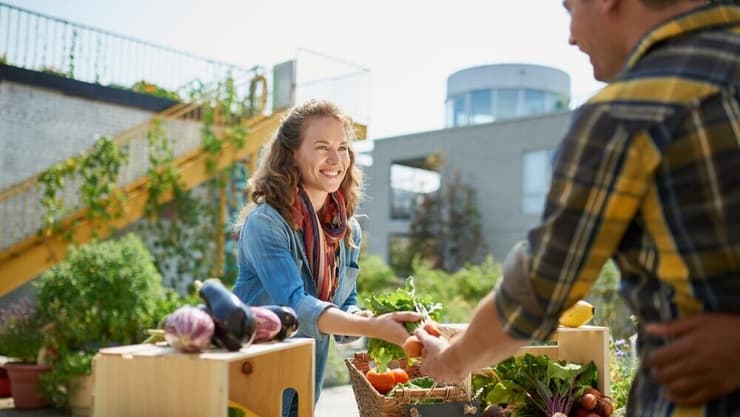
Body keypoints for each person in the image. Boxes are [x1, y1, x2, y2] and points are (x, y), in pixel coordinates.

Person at [415, 1, 740, 416]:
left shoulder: (630, 111)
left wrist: (448, 361)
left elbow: (538, 292)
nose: (570, 36)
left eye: (569, 7)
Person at [232, 99, 420, 416]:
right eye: (322, 146)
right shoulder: (267, 223)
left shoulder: (346, 231)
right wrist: (377, 328)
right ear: (292, 154)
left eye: (343, 147)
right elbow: (297, 307)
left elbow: (344, 309)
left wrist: (379, 321)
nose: (336, 159)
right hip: (253, 377)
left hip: (305, 380)